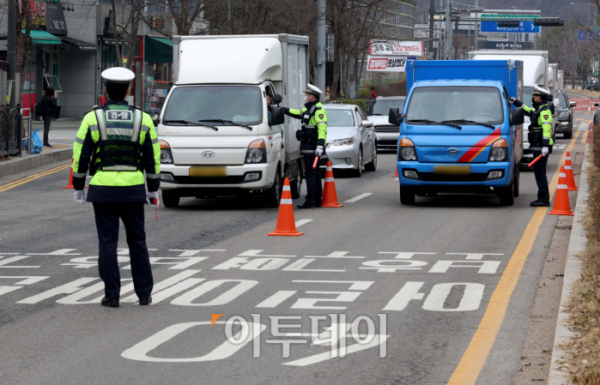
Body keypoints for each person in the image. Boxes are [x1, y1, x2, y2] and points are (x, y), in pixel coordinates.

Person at [71, 67, 161, 308]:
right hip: (133, 189)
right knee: (138, 242)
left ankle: (112, 296)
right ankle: (144, 294)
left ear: (105, 90)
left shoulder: (93, 118)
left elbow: (81, 155)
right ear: (129, 91)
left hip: (103, 189)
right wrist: (153, 188)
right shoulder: (143, 118)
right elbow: (152, 156)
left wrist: (79, 185)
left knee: (108, 243)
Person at [282, 84, 327, 209]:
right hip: (309, 146)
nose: (306, 96)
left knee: (310, 174)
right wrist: (283, 109)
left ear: (312, 96)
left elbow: (322, 129)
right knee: (315, 173)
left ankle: (310, 200)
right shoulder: (309, 109)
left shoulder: (319, 111)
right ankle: (317, 199)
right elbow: (296, 113)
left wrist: (320, 145)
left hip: (312, 146)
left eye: (307, 94)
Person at [510, 86, 554, 207]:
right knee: (539, 172)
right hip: (538, 145)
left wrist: (545, 146)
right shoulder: (537, 110)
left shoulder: (545, 111)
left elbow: (547, 129)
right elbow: (527, 110)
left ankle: (544, 199)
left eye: (535, 96)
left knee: (540, 173)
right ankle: (542, 197)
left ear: (539, 97)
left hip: (541, 146)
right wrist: (515, 102)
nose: (533, 97)